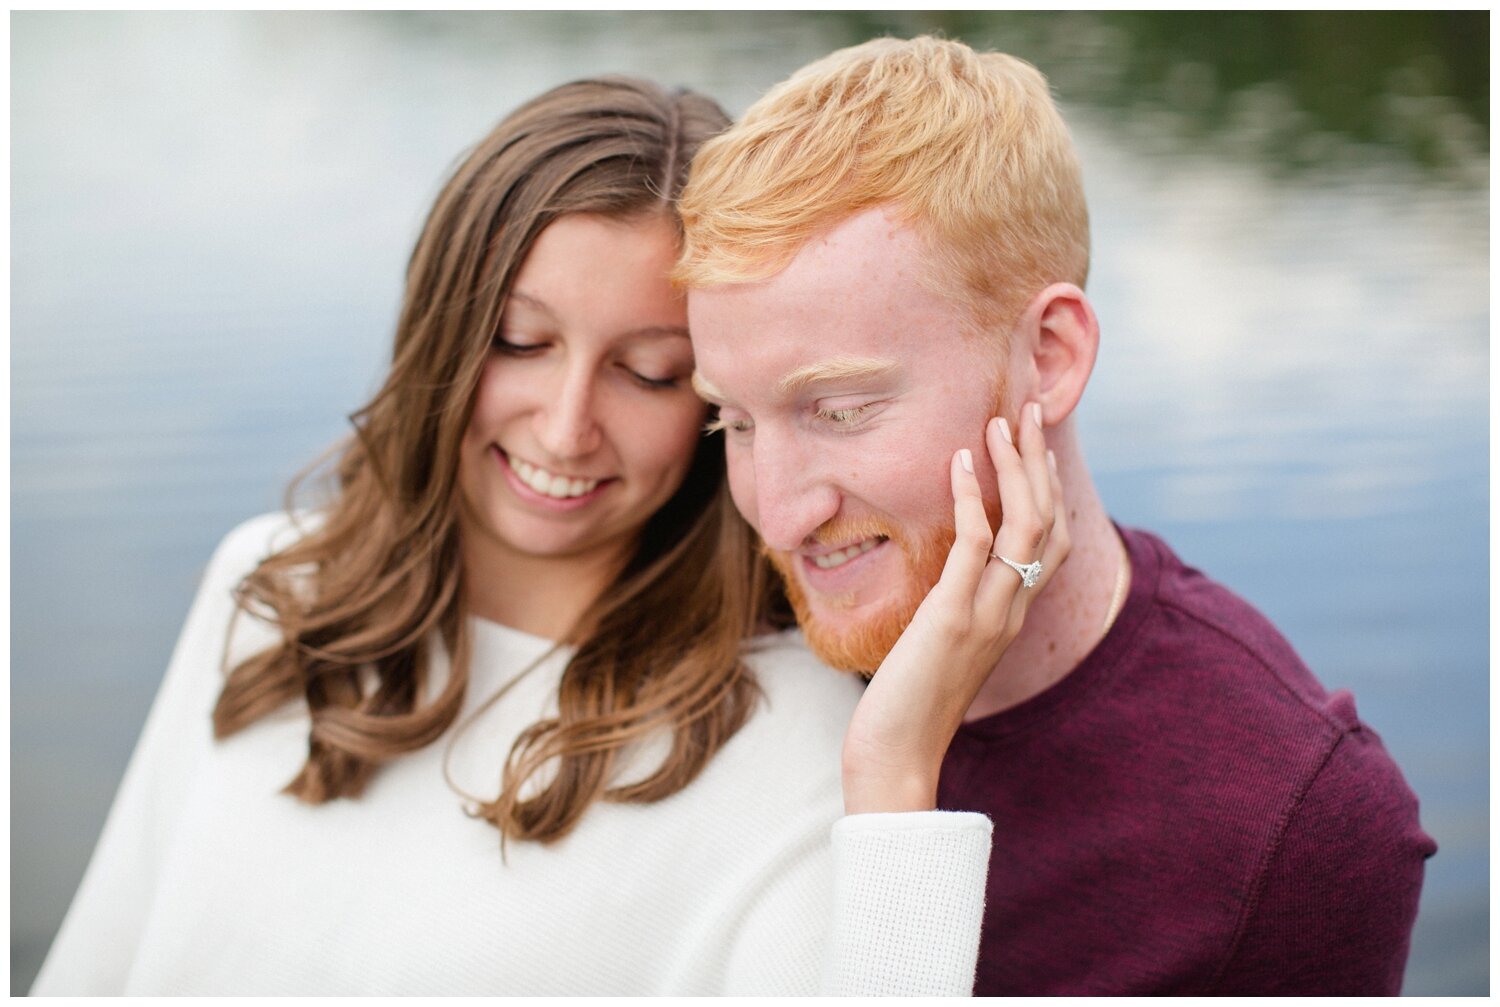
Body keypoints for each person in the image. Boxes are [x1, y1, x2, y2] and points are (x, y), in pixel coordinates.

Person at [32, 76, 1069, 996]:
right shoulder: (262, 582)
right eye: (521, 342)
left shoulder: (796, 735)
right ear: (442, 329)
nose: (567, 426)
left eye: (651, 370)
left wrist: (892, 784)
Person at [676, 36, 1437, 996]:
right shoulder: (715, 638)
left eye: (839, 410)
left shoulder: (1294, 819)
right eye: (732, 419)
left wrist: (893, 783)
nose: (779, 514)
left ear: (1049, 356)